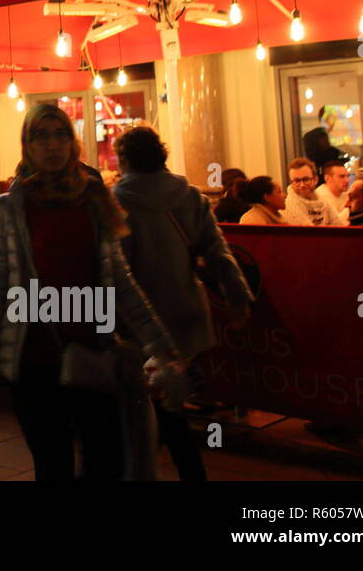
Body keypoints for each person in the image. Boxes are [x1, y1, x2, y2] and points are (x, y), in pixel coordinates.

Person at [0, 105, 184, 481]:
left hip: (93, 353)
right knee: (53, 464)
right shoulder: (6, 208)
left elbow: (120, 279)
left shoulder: (95, 199)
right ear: (27, 145)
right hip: (34, 359)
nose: (52, 145)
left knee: (105, 461)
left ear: (73, 142)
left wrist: (159, 345)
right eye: (41, 136)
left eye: (60, 134)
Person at [112, 126, 253, 481]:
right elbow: (219, 254)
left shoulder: (114, 202)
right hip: (186, 315)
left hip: (137, 322)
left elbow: (113, 270)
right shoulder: (190, 197)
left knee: (153, 409)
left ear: (125, 159)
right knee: (165, 405)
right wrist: (238, 298)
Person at [282, 158, 343, 226]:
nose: (302, 185)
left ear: (315, 180)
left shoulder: (323, 202)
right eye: (297, 181)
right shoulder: (287, 207)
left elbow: (339, 226)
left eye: (306, 179)